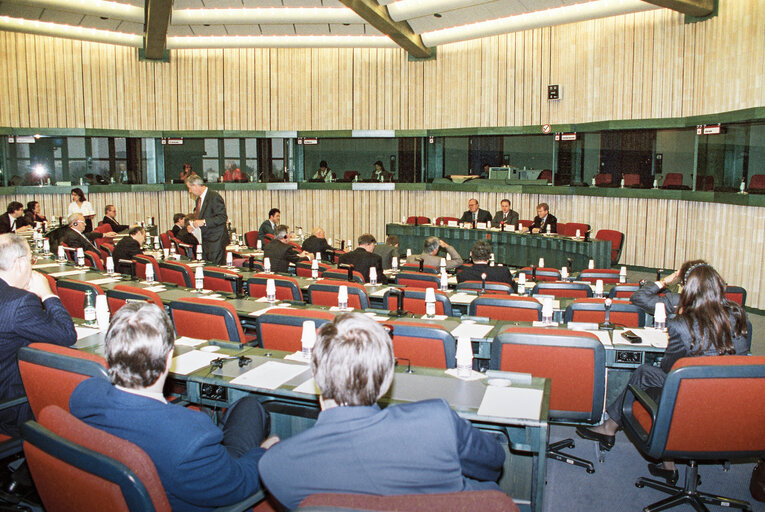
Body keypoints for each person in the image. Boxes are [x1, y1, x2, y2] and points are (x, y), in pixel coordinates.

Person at [258, 313, 505, 510]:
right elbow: (493, 465)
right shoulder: (437, 421)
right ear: (387, 379)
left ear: (316, 373)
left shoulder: (276, 466)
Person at [70, 303, 278, 512]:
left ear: (110, 353)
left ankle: (218, 453)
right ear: (169, 357)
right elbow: (239, 485)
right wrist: (264, 452)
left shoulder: (84, 395)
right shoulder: (189, 436)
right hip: (203, 492)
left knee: (248, 408)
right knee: (258, 422)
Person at [576, 261, 749, 483]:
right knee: (645, 372)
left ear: (689, 290)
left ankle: (611, 428)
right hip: (727, 402)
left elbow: (670, 370)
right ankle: (658, 459)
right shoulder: (737, 315)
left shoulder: (682, 324)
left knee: (647, 373)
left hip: (689, 402)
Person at [0, 234, 76, 436]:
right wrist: (48, 294)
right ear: (20, 263)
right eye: (31, 261)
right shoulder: (19, 302)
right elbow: (67, 335)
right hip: (10, 408)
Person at [186, 175, 228, 265]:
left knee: (215, 271)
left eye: (189, 188)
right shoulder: (198, 200)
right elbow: (200, 220)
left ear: (195, 185)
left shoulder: (214, 196)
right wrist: (193, 226)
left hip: (216, 242)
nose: (189, 191)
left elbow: (222, 217)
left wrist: (203, 222)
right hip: (205, 241)